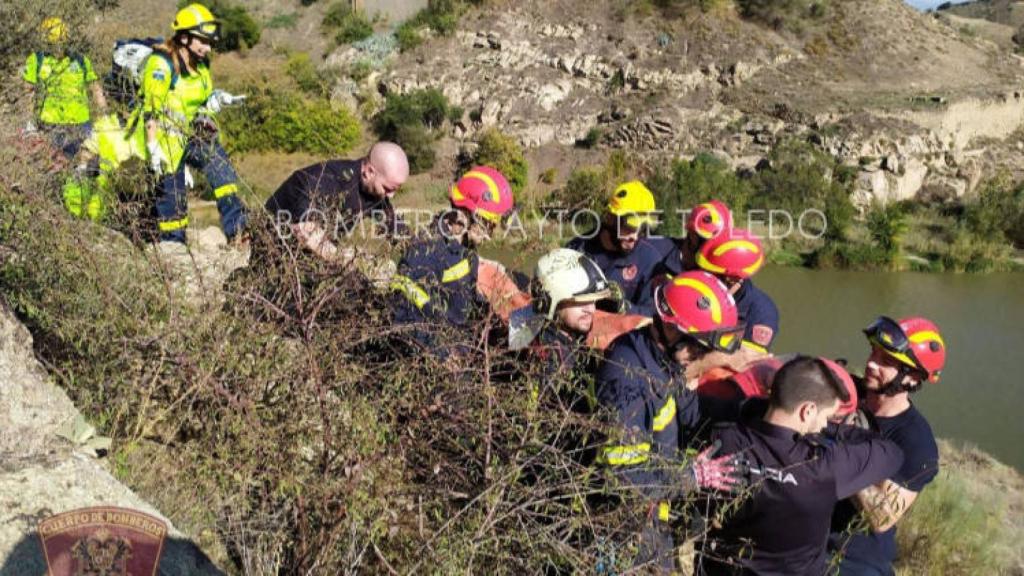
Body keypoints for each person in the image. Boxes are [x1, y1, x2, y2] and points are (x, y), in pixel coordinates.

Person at [695, 356, 905, 576]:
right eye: (827, 417)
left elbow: (693, 403)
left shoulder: (726, 439)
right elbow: (892, 453)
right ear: (807, 411)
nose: (825, 424)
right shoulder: (823, 466)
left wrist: (757, 406)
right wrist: (834, 430)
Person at [596, 271, 747, 571]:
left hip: (652, 511)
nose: (702, 356)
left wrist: (749, 410)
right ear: (672, 331)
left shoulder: (660, 362)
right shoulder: (627, 379)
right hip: (622, 528)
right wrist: (691, 476)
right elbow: (623, 480)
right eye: (700, 346)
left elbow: (689, 411)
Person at [828, 316, 947, 576]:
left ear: (913, 378)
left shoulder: (916, 442)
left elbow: (882, 517)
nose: (871, 363)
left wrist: (843, 446)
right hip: (803, 525)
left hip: (850, 557)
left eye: (887, 361)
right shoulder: (846, 390)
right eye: (874, 352)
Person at [131, 3, 246, 243]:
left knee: (221, 167)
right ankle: (172, 245)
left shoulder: (202, 65)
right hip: (163, 141)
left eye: (209, 42)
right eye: (202, 41)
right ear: (184, 38)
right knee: (172, 202)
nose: (207, 47)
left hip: (191, 134)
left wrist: (216, 99)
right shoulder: (161, 65)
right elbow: (150, 110)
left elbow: (201, 99)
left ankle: (238, 230)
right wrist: (153, 148)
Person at [391, 166, 529, 355]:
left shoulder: (458, 246)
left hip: (458, 346)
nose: (492, 232)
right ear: (468, 216)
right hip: (439, 358)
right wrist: (446, 357)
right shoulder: (424, 254)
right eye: (489, 223)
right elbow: (404, 316)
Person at [264, 142, 410, 261]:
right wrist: (353, 262)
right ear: (369, 172)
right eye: (387, 188)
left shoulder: (374, 190)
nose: (391, 196)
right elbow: (304, 231)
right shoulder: (326, 180)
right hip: (271, 251)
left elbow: (396, 228)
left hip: (310, 259)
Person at [565, 181, 666, 315]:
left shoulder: (650, 262)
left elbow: (654, 313)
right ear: (610, 219)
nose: (635, 237)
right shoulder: (576, 250)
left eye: (642, 229)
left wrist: (625, 308)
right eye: (629, 227)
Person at [23, 17, 107, 159]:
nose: (58, 47)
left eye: (61, 42)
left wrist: (104, 116)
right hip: (51, 123)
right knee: (55, 164)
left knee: (85, 162)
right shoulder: (36, 60)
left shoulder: (80, 60)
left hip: (80, 122)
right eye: (54, 43)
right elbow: (28, 92)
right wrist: (30, 121)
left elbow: (96, 89)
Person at [694, 227, 779, 355]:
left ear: (733, 279)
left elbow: (747, 360)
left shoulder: (762, 313)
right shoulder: (698, 290)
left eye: (712, 274)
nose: (705, 278)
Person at [650, 199, 734, 276]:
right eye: (705, 242)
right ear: (691, 234)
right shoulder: (654, 250)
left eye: (718, 246)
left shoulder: (721, 277)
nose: (711, 252)